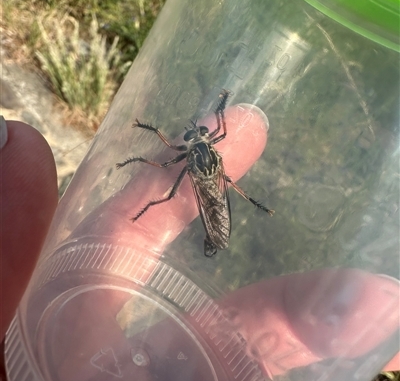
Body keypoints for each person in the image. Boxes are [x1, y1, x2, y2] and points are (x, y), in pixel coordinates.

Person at [1, 116, 399, 380]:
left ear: (199, 143)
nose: (201, 135)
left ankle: (222, 217)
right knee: (208, 195)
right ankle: (236, 214)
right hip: (211, 181)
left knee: (179, 188)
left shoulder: (193, 156)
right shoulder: (210, 149)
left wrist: (148, 141)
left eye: (201, 135)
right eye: (201, 135)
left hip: (206, 181)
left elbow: (172, 166)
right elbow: (220, 137)